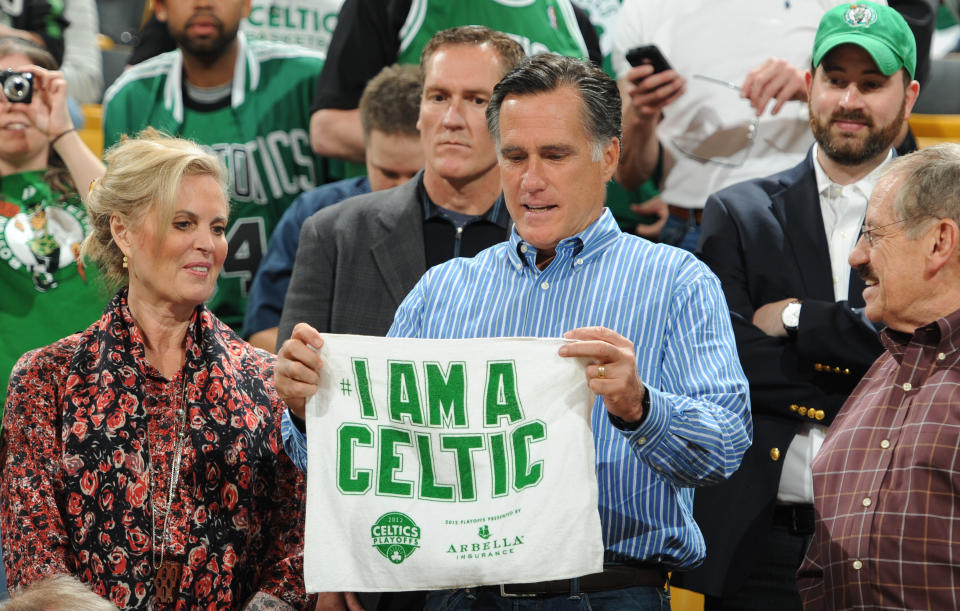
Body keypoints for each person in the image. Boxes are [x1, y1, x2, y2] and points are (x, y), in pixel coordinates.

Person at [277, 53, 751, 610]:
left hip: (609, 591)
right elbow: (374, 463)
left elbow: (724, 449)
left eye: (555, 155)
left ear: (608, 157)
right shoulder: (443, 291)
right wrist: (309, 414)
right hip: (459, 596)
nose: (531, 180)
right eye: (514, 156)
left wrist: (640, 407)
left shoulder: (677, 281)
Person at [0, 130, 312, 610]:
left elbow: (296, 545)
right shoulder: (46, 379)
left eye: (217, 226)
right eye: (183, 223)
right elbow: (32, 558)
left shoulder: (266, 381)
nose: (207, 244)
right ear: (123, 231)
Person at [681, 3, 920, 609]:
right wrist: (869, 355)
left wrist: (795, 321)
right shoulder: (737, 213)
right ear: (809, 85)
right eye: (836, 80)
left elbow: (939, 356)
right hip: (761, 544)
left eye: (871, 84)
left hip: (903, 542)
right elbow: (725, 368)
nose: (849, 99)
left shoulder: (943, 219)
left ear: (910, 95)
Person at [276, 25, 518, 351]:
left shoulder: (550, 243)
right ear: (420, 111)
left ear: (513, 115)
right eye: (438, 97)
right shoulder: (333, 235)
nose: (451, 119)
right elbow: (294, 392)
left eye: (476, 100)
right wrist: (292, 383)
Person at [796, 143, 960, 610]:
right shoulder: (881, 369)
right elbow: (821, 566)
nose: (856, 256)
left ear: (939, 242)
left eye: (873, 234)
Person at [102, 0, 328, 334]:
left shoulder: (309, 79)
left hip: (302, 330)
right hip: (178, 332)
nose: (203, 3)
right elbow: (118, 240)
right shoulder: (129, 98)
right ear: (160, 8)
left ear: (248, 5)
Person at [0, 35, 107, 603]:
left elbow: (134, 227)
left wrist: (62, 129)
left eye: (25, 84)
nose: (12, 99)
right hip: (8, 453)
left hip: (100, 443)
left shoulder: (86, 190)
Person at [244, 63, 424, 352]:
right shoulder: (314, 215)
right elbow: (262, 333)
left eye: (416, 175)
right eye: (388, 173)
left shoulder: (461, 219)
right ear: (364, 151)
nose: (402, 188)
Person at [308, 0, 602, 164]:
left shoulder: (574, 23)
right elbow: (329, 129)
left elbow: (593, 144)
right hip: (402, 223)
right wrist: (457, 154)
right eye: (437, 98)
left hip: (523, 228)